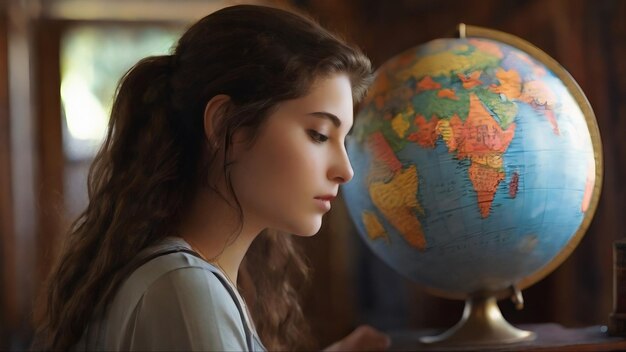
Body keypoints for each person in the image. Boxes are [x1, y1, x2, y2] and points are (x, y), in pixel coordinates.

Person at [32, 4, 391, 352]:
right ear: (225, 125)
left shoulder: (181, 278)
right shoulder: (183, 287)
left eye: (343, 140)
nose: (346, 170)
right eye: (318, 134)